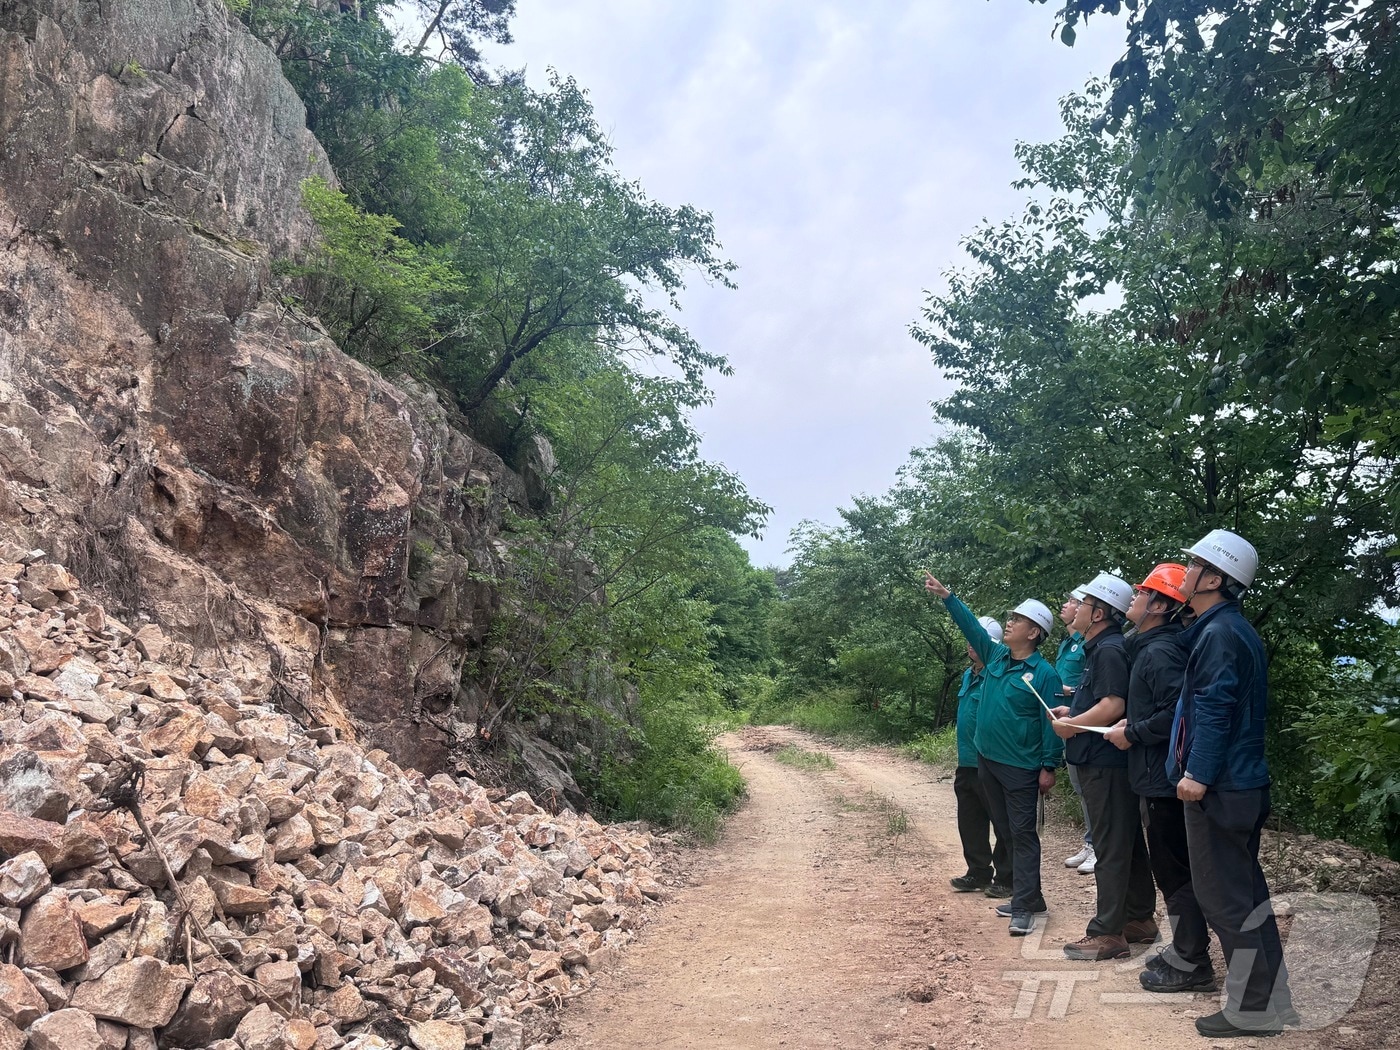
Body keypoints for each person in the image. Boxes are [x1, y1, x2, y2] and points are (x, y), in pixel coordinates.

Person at [1168, 529, 1296, 1037]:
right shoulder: (1227, 628)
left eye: (1194, 565)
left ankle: (1253, 1011)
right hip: (1242, 785)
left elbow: (1215, 709)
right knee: (1246, 897)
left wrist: (1198, 773)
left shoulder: (1220, 634)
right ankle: (1270, 1000)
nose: (1185, 573)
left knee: (1223, 899)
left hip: (1223, 787)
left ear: (1215, 578)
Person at [924, 572, 1063, 937]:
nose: (1010, 623)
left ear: (1033, 633)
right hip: (987, 762)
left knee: (1022, 835)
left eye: (1017, 620)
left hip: (1020, 767)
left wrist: (1050, 766)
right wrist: (948, 597)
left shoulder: (1044, 673)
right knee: (1007, 831)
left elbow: (1050, 722)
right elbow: (971, 627)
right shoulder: (996, 656)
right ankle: (1033, 897)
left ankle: (1024, 907)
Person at [1104, 564, 1214, 992]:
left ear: (1160, 604)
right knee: (1172, 869)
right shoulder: (1150, 647)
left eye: (1141, 593)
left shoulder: (1160, 651)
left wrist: (1132, 732)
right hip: (1155, 777)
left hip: (1162, 782)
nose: (1132, 599)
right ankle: (1185, 952)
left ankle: (1192, 962)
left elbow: (1176, 714)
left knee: (1174, 872)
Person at [1049, 571, 1156, 961]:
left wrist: (1070, 725)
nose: (1074, 608)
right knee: (1126, 844)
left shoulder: (1109, 649)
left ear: (1097, 614)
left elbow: (1114, 705)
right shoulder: (1104, 647)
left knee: (1110, 847)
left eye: (1082, 603)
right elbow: (1099, 699)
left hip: (1104, 764)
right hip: (1104, 761)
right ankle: (1140, 919)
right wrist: (1074, 709)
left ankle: (1108, 932)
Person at [949, 616, 1013, 898]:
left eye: (978, 641)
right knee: (970, 821)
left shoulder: (997, 675)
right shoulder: (968, 675)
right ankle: (978, 872)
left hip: (990, 760)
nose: (972, 646)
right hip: (966, 763)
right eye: (970, 641)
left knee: (1001, 822)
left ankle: (1007, 877)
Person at [1056, 590, 1096, 875]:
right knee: (1080, 787)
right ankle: (1090, 841)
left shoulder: (1089, 644)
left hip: (1085, 723)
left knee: (1090, 788)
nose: (1066, 605)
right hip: (1068, 722)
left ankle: (1098, 845)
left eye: (1073, 601)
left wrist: (1069, 690)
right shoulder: (1067, 643)